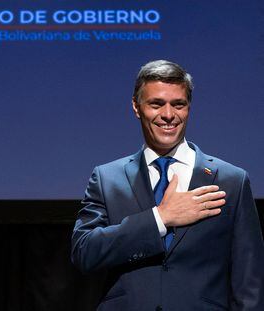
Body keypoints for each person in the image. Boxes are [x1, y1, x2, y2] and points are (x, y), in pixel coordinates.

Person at [71, 60, 264, 310]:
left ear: (189, 107)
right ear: (136, 107)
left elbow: (250, 282)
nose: (169, 115)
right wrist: (160, 218)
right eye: (156, 104)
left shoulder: (231, 180)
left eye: (178, 104)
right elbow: (84, 252)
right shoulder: (108, 178)